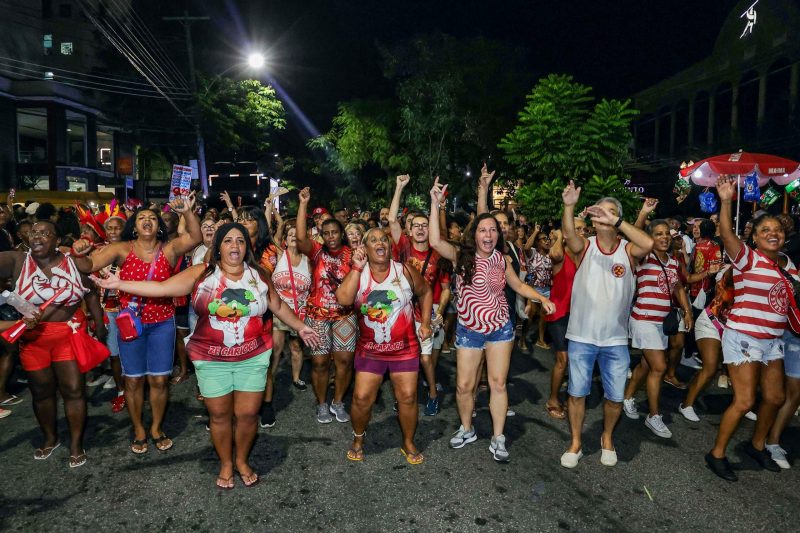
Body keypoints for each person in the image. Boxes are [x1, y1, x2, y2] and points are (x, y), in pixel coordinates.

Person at [93, 222, 318, 488]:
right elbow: (162, 288)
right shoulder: (202, 274)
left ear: (247, 247)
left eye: (240, 241)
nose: (235, 245)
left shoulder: (258, 275)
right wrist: (121, 283)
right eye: (228, 241)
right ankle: (225, 463)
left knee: (247, 415)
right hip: (211, 359)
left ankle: (242, 460)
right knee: (220, 416)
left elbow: (278, 306)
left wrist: (301, 327)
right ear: (218, 248)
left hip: (252, 357)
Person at [428, 178, 555, 462]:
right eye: (483, 230)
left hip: (499, 329)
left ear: (498, 234)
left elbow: (519, 287)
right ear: (475, 235)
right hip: (469, 331)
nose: (488, 234)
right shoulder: (461, 254)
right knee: (463, 386)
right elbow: (435, 241)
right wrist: (435, 204)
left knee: (498, 383)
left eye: (493, 230)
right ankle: (467, 428)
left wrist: (541, 298)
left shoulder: (502, 259)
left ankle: (499, 436)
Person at [71, 195, 201, 454]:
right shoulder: (122, 249)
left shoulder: (168, 248)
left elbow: (195, 238)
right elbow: (90, 265)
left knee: (160, 380)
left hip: (162, 324)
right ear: (134, 225)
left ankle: (156, 427)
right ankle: (139, 429)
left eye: (152, 218)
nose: (147, 221)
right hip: (130, 324)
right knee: (133, 381)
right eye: (141, 218)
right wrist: (79, 252)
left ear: (159, 225)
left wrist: (187, 212)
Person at [705, 177, 795, 482]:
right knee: (744, 401)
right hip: (744, 336)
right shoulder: (746, 258)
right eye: (765, 230)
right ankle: (716, 453)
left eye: (777, 230)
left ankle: (757, 445)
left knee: (774, 398)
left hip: (773, 341)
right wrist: (727, 200)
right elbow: (728, 233)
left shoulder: (789, 265)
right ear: (754, 238)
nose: (773, 234)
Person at [559, 182, 653, 469]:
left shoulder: (629, 249)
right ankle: (575, 442)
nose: (604, 216)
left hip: (614, 340)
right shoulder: (585, 247)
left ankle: (607, 437)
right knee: (577, 393)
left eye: (611, 213)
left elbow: (649, 244)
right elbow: (568, 235)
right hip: (582, 337)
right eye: (600, 212)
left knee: (614, 397)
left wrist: (618, 221)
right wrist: (569, 205)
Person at [0, 220, 106, 467]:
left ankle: (76, 443)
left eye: (45, 233)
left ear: (57, 240)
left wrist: (99, 323)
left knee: (73, 390)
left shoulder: (73, 261)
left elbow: (89, 292)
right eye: (34, 232)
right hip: (34, 340)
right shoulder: (18, 261)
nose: (37, 236)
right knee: (41, 392)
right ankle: (50, 438)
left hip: (67, 335)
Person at [336, 228, 432, 463]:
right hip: (371, 350)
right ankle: (358, 438)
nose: (380, 243)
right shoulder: (360, 274)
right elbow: (343, 300)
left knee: (408, 397)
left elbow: (426, 291)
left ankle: (408, 441)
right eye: (373, 240)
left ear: (390, 246)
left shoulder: (405, 271)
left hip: (405, 348)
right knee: (361, 398)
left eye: (384, 239)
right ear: (365, 248)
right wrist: (356, 267)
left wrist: (426, 322)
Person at [621, 215, 693, 439]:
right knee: (659, 367)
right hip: (643, 318)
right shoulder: (643, 257)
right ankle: (653, 415)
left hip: (662, 323)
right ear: (649, 238)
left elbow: (678, 286)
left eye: (666, 233)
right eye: (658, 233)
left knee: (646, 364)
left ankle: (627, 397)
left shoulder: (672, 261)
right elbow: (633, 240)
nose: (664, 237)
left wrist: (687, 311)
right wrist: (642, 215)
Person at [389, 174, 451, 416]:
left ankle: (433, 396)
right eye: (417, 225)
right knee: (405, 359)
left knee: (425, 359)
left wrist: (438, 313)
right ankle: (404, 397)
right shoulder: (403, 247)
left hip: (426, 313)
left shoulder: (439, 255)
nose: (421, 229)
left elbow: (446, 289)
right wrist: (399, 187)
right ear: (410, 230)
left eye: (425, 225)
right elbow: (392, 219)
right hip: (402, 312)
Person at [296, 188, 357, 424]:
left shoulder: (353, 255)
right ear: (321, 235)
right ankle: (321, 404)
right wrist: (303, 205)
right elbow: (301, 238)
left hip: (344, 316)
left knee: (344, 361)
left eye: (335, 232)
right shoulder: (316, 252)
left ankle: (338, 402)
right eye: (326, 233)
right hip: (318, 315)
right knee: (320, 362)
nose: (331, 236)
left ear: (341, 233)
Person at [261, 218, 312, 428]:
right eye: (289, 235)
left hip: (300, 311)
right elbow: (270, 234)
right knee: (276, 347)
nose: (293, 237)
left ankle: (296, 377)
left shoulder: (309, 260)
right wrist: (270, 209)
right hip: (279, 311)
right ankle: (269, 380)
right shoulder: (279, 255)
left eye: (296, 235)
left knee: (296, 347)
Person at [542, 223, 583, 420]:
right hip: (558, 314)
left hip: (577, 314)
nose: (582, 233)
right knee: (562, 360)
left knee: (574, 359)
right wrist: (560, 235)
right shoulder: (561, 255)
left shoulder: (584, 256)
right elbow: (554, 254)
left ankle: (571, 395)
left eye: (585, 229)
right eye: (578, 229)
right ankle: (552, 399)